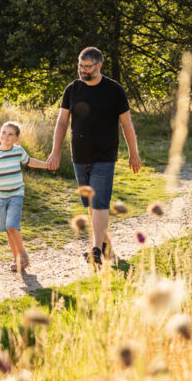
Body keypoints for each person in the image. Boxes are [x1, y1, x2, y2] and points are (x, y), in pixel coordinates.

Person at [46, 47, 141, 266]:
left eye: (87, 66)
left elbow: (126, 124)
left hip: (105, 155)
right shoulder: (72, 89)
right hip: (80, 155)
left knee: (99, 203)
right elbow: (62, 122)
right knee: (90, 203)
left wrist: (133, 154)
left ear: (99, 66)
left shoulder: (114, 90)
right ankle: (105, 244)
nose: (82, 70)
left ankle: (96, 250)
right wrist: (55, 150)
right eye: (80, 65)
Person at [0, 121, 49, 272]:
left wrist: (46, 165)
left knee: (12, 225)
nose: (6, 136)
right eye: (3, 132)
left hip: (16, 194)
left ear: (16, 138)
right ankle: (17, 260)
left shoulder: (18, 151)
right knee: (8, 230)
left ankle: (23, 255)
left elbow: (30, 162)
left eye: (10, 134)